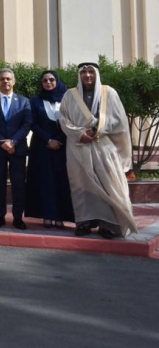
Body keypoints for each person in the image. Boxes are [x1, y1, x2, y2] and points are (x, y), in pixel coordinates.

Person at [59, 63, 137, 238]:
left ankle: (108, 225)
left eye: (91, 72)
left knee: (108, 184)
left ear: (97, 74)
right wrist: (80, 134)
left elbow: (118, 120)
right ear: (79, 75)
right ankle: (84, 222)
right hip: (78, 147)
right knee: (80, 185)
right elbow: (63, 119)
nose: (87, 75)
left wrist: (96, 130)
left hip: (103, 146)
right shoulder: (70, 95)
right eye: (84, 72)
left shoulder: (109, 93)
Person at [0, 68, 33, 229]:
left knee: (18, 184)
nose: (5, 81)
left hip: (17, 149)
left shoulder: (24, 102)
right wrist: (2, 142)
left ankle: (18, 217)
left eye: (8, 79)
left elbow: (27, 124)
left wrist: (13, 142)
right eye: (2, 79)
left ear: (14, 81)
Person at [25, 70, 73, 229]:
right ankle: (47, 215)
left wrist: (59, 140)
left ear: (57, 81)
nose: (48, 83)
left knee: (62, 182)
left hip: (63, 147)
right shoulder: (35, 101)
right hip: (42, 147)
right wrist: (49, 140)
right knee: (45, 181)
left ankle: (60, 217)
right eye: (45, 80)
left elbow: (72, 122)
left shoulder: (67, 100)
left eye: (51, 80)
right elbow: (33, 123)